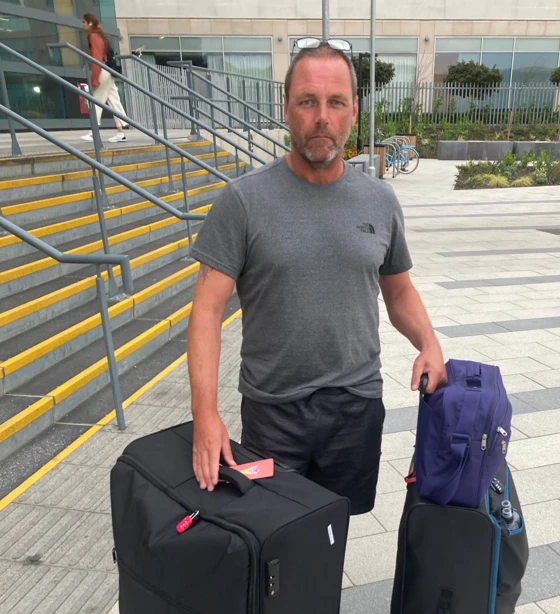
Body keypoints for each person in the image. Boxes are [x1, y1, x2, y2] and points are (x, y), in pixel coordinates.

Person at [187, 41, 446, 515]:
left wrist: (429, 343)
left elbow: (399, 290)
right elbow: (206, 311)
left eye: (336, 102)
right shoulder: (243, 202)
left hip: (356, 407)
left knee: (336, 529)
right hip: (273, 414)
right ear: (287, 109)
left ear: (353, 112)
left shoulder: (379, 201)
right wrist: (204, 416)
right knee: (274, 538)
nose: (322, 117)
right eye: (308, 101)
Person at [80, 13, 128, 143]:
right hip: (107, 70)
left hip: (101, 71)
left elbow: (96, 59)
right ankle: (121, 131)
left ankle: (93, 132)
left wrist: (94, 78)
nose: (82, 24)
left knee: (96, 100)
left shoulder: (93, 36)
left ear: (90, 23)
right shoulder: (100, 36)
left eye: (84, 22)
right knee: (113, 99)